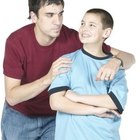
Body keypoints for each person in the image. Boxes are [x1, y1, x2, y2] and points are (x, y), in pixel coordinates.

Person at [1, 0, 134, 140]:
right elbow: (12, 97)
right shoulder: (16, 41)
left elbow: (129, 57)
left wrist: (116, 61)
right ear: (34, 17)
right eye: (50, 15)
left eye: (60, 13)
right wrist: (48, 78)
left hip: (55, 117)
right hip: (20, 116)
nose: (57, 21)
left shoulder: (73, 38)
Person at [48, 8, 128, 140]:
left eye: (92, 25)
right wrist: (94, 110)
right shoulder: (67, 61)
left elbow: (115, 101)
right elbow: (56, 102)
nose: (84, 29)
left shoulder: (115, 67)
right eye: (82, 23)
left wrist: (76, 97)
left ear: (106, 32)